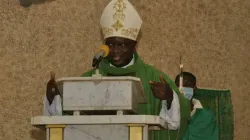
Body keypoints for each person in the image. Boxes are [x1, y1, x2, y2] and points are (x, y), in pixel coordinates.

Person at [43, 0, 191, 139]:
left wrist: (170, 98)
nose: (115, 51)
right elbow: (64, 123)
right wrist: (53, 99)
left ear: (134, 46)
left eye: (122, 45)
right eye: (111, 45)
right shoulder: (88, 79)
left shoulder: (153, 76)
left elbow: (183, 114)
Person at [175, 72, 219, 140]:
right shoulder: (170, 114)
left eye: (187, 85)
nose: (182, 89)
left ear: (194, 89)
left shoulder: (208, 117)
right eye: (178, 85)